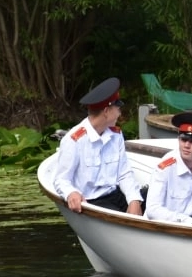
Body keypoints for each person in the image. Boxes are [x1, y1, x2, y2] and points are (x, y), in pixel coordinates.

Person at [52, 77, 144, 215]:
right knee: (119, 215)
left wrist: (134, 200)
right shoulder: (74, 140)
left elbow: (124, 174)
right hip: (93, 201)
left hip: (115, 194)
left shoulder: (116, 135)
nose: (120, 113)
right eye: (118, 108)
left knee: (151, 198)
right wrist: (71, 193)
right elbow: (61, 179)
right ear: (106, 111)